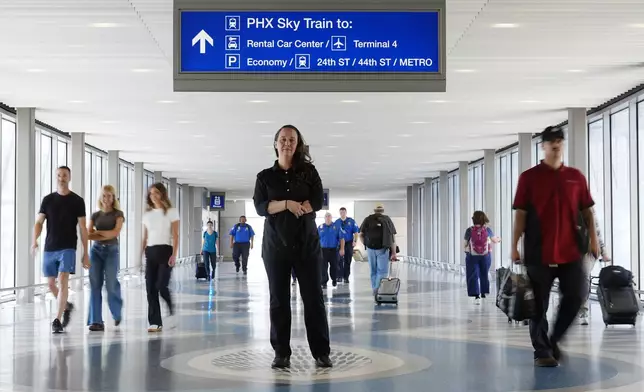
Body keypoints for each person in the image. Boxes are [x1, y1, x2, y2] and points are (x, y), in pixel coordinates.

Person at [512, 126, 598, 367]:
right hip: (538, 252)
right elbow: (520, 214)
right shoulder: (529, 177)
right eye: (551, 141)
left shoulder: (576, 177)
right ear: (543, 146)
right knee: (537, 306)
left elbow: (587, 212)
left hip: (571, 251)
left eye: (559, 140)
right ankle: (542, 352)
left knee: (577, 294)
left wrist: (593, 240)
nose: (556, 144)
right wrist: (514, 246)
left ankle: (554, 339)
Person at [253, 124, 332, 369]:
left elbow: (318, 201)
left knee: (313, 298)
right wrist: (287, 203)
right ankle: (281, 352)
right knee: (279, 300)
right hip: (276, 247)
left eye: (292, 139)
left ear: (297, 144)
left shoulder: (309, 172)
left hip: (307, 245)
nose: (287, 143)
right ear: (276, 143)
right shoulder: (265, 177)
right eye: (283, 139)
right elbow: (260, 207)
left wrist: (291, 205)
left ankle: (321, 352)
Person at [32, 166, 90, 333]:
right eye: (58, 175)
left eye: (64, 175)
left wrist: (86, 253)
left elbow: (83, 228)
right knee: (51, 284)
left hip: (68, 247)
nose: (61, 178)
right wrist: (34, 240)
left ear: (69, 177)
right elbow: (39, 222)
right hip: (50, 247)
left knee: (63, 278)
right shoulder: (48, 200)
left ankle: (56, 320)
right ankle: (66, 306)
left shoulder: (77, 201)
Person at [141, 183, 180, 332]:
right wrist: (139, 256)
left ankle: (171, 307)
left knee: (161, 285)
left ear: (162, 194)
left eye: (156, 193)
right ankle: (155, 322)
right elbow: (145, 237)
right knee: (150, 288)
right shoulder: (147, 214)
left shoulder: (172, 212)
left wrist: (174, 255)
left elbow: (176, 235)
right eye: (151, 194)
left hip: (165, 251)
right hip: (150, 252)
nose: (154, 196)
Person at [87, 185, 124, 331]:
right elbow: (88, 235)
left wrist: (98, 233)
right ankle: (96, 321)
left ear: (113, 197)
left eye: (109, 195)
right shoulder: (95, 215)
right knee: (95, 285)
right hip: (96, 251)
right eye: (104, 195)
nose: (106, 198)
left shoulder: (118, 214)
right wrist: (105, 233)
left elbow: (116, 233)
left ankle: (116, 313)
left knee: (110, 283)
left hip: (111, 251)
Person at [578, 207, 610, 325]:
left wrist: (604, 252)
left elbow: (597, 234)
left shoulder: (590, 213)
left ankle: (583, 311)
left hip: (588, 252)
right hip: (571, 252)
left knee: (584, 277)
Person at [359, 204, 398, 298]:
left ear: (374, 210)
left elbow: (360, 234)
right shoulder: (387, 219)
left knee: (373, 270)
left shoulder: (367, 219)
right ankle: (377, 289)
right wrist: (393, 253)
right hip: (383, 248)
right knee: (382, 271)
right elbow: (392, 238)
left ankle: (374, 289)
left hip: (370, 249)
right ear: (382, 210)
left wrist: (366, 245)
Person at [463, 211, 500, 305]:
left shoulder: (469, 230)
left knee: (473, 274)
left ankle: (475, 294)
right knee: (484, 273)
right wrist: (499, 239)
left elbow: (465, 244)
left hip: (472, 256)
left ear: (473, 220)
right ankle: (483, 292)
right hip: (485, 255)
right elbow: (494, 240)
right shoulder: (487, 230)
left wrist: (467, 250)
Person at [318, 212, 345, 288]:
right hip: (323, 250)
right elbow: (316, 239)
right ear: (324, 218)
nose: (327, 217)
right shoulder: (320, 227)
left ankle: (334, 280)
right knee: (323, 267)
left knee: (334, 266)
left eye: (329, 216)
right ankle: (324, 282)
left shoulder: (337, 226)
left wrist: (342, 249)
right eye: (326, 216)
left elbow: (342, 239)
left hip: (334, 250)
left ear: (331, 218)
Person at [334, 207, 360, 284]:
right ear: (339, 213)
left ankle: (346, 277)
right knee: (338, 260)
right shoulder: (336, 222)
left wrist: (355, 241)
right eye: (341, 212)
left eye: (344, 212)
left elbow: (356, 232)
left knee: (347, 260)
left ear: (346, 212)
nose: (342, 214)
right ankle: (339, 276)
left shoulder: (351, 221)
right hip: (339, 243)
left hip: (349, 242)